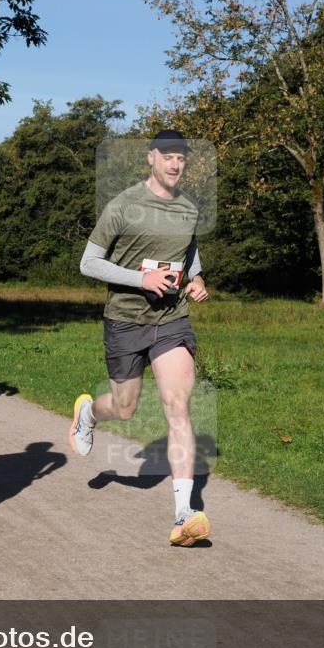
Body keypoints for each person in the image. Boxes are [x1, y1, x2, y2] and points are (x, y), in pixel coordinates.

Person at [69, 129, 212, 547]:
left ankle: (184, 512)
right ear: (150, 158)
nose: (175, 163)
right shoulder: (124, 205)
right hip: (126, 321)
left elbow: (189, 253)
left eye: (181, 158)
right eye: (166, 156)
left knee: (178, 406)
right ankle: (90, 414)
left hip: (172, 319)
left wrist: (196, 278)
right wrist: (141, 278)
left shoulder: (188, 208)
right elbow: (89, 263)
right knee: (125, 408)